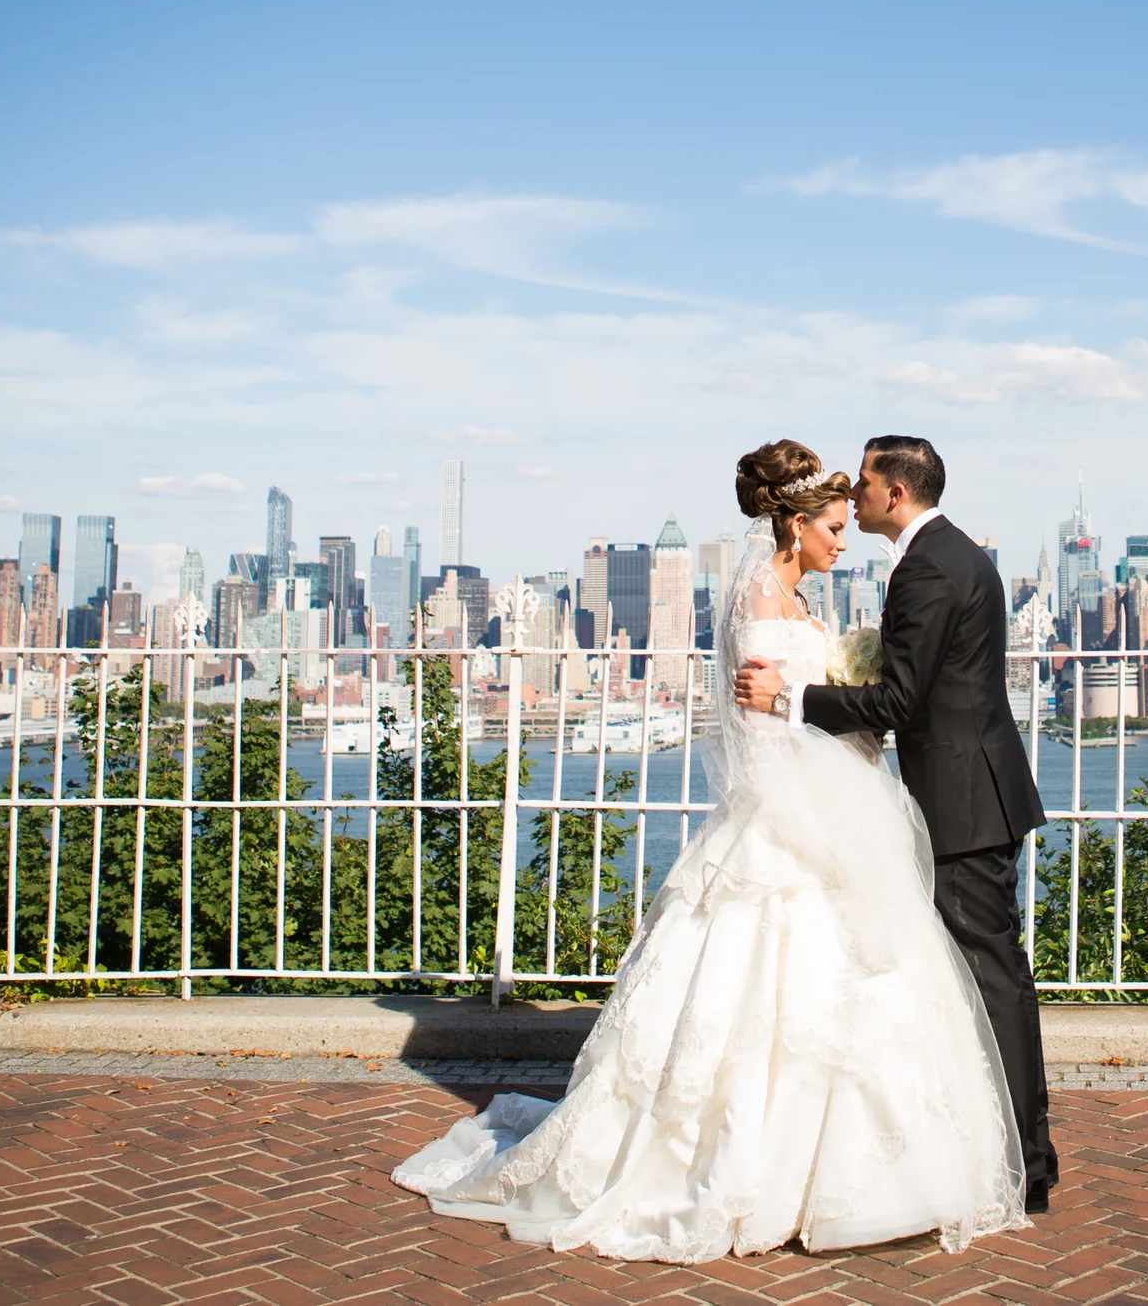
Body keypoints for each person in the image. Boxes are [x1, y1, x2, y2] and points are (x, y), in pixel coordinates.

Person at [390, 440, 1026, 1262]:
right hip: (788, 828)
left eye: (848, 519)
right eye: (832, 526)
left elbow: (825, 709)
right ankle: (762, 1176)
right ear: (794, 527)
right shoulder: (762, 605)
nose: (843, 540)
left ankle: (858, 1175)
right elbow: (764, 744)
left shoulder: (798, 602)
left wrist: (842, 722)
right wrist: (830, 805)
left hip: (832, 803)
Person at [732, 433, 1058, 1214]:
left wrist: (796, 697)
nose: (856, 496)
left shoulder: (930, 565)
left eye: (867, 483)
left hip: (964, 804)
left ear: (896, 493)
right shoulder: (949, 555)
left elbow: (902, 700)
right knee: (976, 975)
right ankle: (1006, 1147)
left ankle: (1025, 1159)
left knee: (991, 976)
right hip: (958, 793)